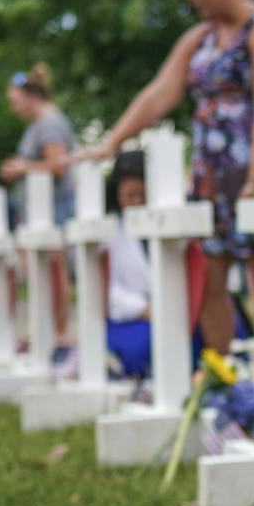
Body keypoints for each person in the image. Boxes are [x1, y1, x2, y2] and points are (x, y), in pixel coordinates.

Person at [76, 0, 254, 356]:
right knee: (210, 277)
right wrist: (111, 143)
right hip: (209, 173)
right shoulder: (201, 37)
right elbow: (159, 94)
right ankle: (223, 379)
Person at [0, 64, 76, 355]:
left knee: (54, 271)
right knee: (42, 272)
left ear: (31, 97)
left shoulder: (49, 124)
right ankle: (48, 330)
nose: (14, 108)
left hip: (53, 210)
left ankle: (58, 335)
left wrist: (22, 168)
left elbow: (58, 165)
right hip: (42, 211)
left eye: (15, 101)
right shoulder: (40, 125)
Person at [104, 152, 153, 382]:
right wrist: (144, 309)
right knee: (141, 348)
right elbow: (107, 287)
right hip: (131, 316)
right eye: (130, 195)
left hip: (174, 312)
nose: (136, 202)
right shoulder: (110, 229)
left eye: (142, 195)